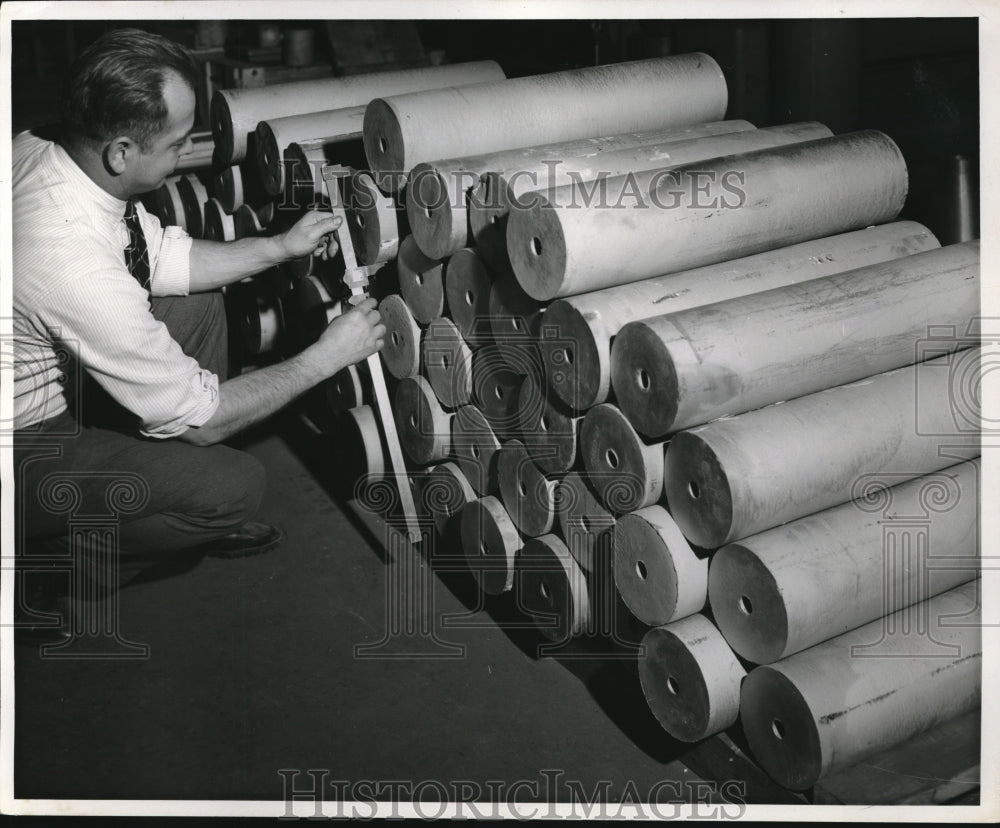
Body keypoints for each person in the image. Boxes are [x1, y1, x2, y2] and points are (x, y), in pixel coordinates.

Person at [12, 28, 385, 639]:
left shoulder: (49, 151)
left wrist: (277, 247)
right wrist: (325, 357)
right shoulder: (68, 261)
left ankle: (157, 477)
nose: (189, 155)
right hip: (21, 445)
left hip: (41, 373)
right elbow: (208, 418)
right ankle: (53, 562)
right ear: (122, 152)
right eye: (178, 144)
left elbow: (157, 256)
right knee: (233, 488)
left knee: (201, 305)